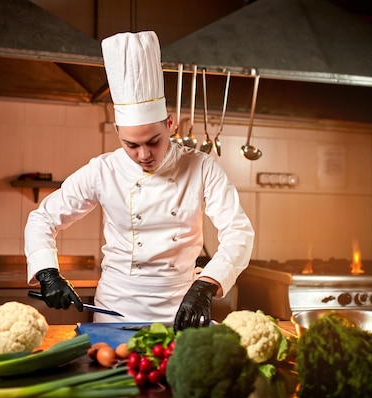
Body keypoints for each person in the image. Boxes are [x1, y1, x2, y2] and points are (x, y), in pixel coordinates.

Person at [25, 31, 254, 331]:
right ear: (118, 131)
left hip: (180, 309)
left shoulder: (201, 167)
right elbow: (43, 218)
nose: (143, 154)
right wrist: (47, 272)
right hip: (116, 310)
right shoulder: (102, 171)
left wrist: (207, 285)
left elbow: (238, 232)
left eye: (153, 141)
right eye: (131, 145)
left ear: (169, 124)